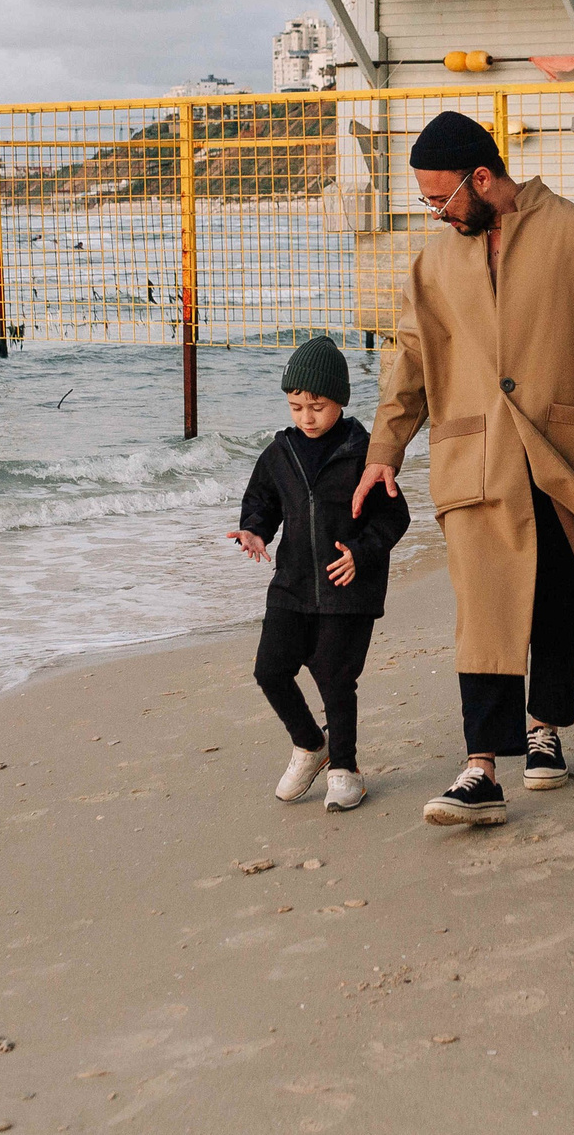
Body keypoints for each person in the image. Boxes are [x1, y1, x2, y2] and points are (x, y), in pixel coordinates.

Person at [353, 110, 574, 829]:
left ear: (484, 176)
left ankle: (545, 730)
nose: (435, 212)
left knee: (553, 593)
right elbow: (406, 362)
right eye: (427, 201)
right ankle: (480, 766)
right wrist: (383, 452)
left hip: (567, 445)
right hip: (477, 451)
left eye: (442, 197)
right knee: (485, 607)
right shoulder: (433, 262)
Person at [229, 336, 410, 813]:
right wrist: (254, 531)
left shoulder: (364, 452)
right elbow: (262, 501)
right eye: (296, 407)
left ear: (341, 401)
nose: (306, 417)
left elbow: (394, 518)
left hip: (347, 589)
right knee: (270, 670)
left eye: (317, 406)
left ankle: (345, 769)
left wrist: (359, 552)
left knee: (334, 677)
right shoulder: (280, 452)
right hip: (290, 586)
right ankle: (311, 745)